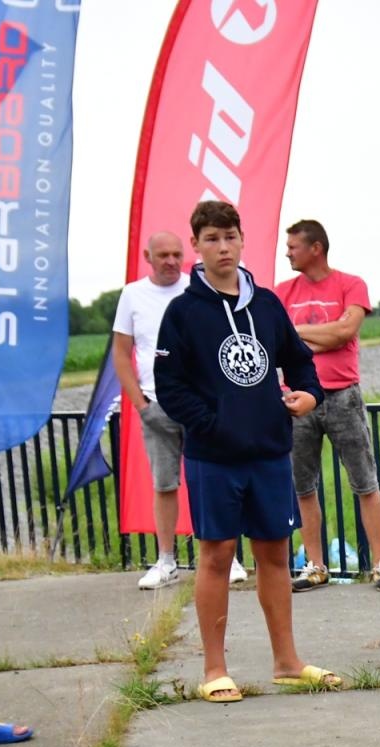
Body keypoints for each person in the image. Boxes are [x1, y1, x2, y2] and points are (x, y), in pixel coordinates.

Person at [153, 200, 339, 704]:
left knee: (275, 555)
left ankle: (287, 663)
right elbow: (170, 387)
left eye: (230, 237)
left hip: (270, 453)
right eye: (212, 239)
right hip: (213, 458)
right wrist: (215, 424)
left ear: (242, 240)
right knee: (216, 556)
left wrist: (309, 395)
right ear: (196, 246)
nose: (223, 247)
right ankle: (215, 669)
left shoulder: (268, 305)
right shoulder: (183, 312)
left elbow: (300, 363)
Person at [112, 231, 247, 589]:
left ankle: (228, 557)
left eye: (176, 254)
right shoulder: (132, 295)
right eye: (163, 255)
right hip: (156, 406)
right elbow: (121, 353)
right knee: (164, 484)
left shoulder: (197, 289)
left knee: (213, 480)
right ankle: (166, 561)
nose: (171, 261)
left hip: (200, 405)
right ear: (148, 257)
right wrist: (140, 405)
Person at [275, 219, 380, 593]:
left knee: (365, 481)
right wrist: (324, 336)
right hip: (297, 398)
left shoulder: (350, 284)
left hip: (343, 395)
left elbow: (346, 332)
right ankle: (315, 565)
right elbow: (280, 341)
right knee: (303, 485)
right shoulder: (282, 292)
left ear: (315, 248)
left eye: (293, 246)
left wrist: (296, 334)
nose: (287, 253)